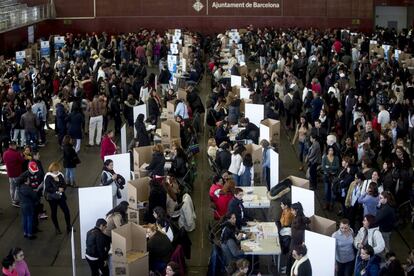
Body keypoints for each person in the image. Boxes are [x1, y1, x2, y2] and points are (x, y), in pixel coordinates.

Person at [44, 162, 71, 234]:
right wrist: (58, 189)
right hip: (52, 198)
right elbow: (47, 188)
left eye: (58, 170)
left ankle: (69, 226)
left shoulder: (60, 175)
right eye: (56, 170)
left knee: (66, 211)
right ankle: (57, 228)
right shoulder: (48, 177)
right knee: (54, 213)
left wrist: (63, 188)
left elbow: (65, 184)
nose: (57, 171)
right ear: (52, 170)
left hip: (61, 196)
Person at [3, 141, 25, 207]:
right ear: (13, 146)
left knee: (12, 187)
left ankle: (13, 199)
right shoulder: (17, 154)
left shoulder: (5, 153)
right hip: (17, 173)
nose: (16, 147)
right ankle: (16, 201)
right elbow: (22, 161)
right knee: (17, 187)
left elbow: (4, 161)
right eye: (15, 145)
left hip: (10, 173)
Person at [17, 172, 38, 240]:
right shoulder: (27, 188)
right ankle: (30, 234)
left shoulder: (19, 186)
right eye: (28, 179)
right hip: (28, 205)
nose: (29, 180)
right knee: (30, 219)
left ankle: (25, 232)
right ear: (26, 181)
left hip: (22, 204)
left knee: (24, 219)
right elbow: (34, 196)